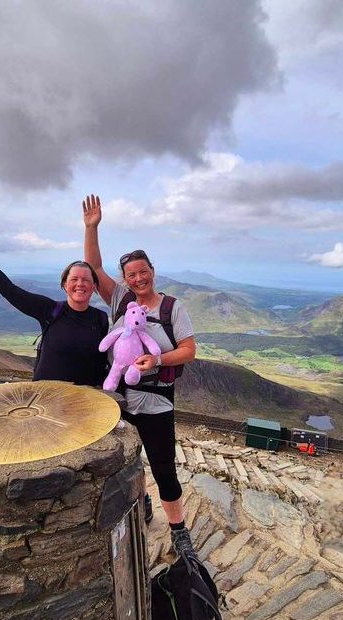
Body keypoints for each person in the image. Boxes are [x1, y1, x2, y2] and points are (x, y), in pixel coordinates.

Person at [81, 195, 199, 558]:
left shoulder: (171, 307)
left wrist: (157, 358)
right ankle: (141, 500)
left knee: (163, 465)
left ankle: (179, 533)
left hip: (157, 399)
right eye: (131, 274)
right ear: (125, 279)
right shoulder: (119, 299)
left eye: (143, 272)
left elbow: (189, 350)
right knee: (124, 460)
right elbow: (92, 265)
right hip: (120, 399)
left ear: (153, 271)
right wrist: (91, 227)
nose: (138, 278)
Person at [0, 220, 108, 387]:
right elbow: (9, 290)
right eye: (74, 279)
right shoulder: (50, 310)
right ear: (64, 284)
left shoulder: (100, 318)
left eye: (86, 280)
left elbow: (100, 362)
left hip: (85, 401)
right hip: (45, 397)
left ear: (94, 287)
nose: (80, 284)